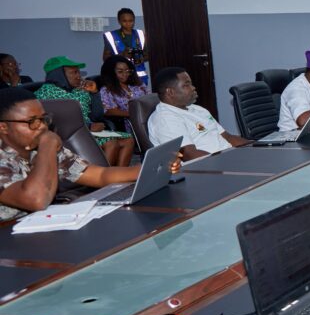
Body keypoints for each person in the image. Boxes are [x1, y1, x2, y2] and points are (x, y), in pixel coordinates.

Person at [0, 88, 178, 222]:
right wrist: (48, 144)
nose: (42, 127)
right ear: (3, 127)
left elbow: (100, 175)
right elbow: (36, 199)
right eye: (32, 121)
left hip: (40, 228)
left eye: (43, 119)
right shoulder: (45, 145)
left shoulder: (40, 147)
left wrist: (151, 167)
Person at [35, 56, 135, 167]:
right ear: (59, 74)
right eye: (74, 72)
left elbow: (97, 116)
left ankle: (118, 175)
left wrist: (94, 93)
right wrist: (89, 126)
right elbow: (56, 121)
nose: (79, 76)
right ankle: (102, 177)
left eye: (78, 72)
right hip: (67, 135)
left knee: (128, 140)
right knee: (111, 143)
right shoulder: (45, 94)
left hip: (89, 132)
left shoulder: (79, 90)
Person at [148, 67, 247, 160]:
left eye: (191, 84)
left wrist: (254, 147)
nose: (193, 88)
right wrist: (229, 162)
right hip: (206, 167)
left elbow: (227, 137)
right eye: (186, 85)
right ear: (170, 92)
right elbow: (188, 154)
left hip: (228, 158)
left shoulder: (198, 109)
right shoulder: (165, 119)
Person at [98, 55, 149, 134]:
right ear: (111, 73)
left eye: (127, 71)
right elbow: (108, 111)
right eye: (120, 72)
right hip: (130, 122)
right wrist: (133, 114)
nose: (125, 74)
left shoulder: (138, 84)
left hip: (148, 116)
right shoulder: (106, 90)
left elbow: (149, 97)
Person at [102, 8, 148, 86]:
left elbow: (148, 54)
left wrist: (141, 59)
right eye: (124, 21)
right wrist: (122, 55)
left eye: (131, 21)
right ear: (119, 21)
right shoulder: (111, 36)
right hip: (120, 78)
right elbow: (106, 59)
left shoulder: (140, 34)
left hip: (140, 77)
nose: (128, 24)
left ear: (134, 20)